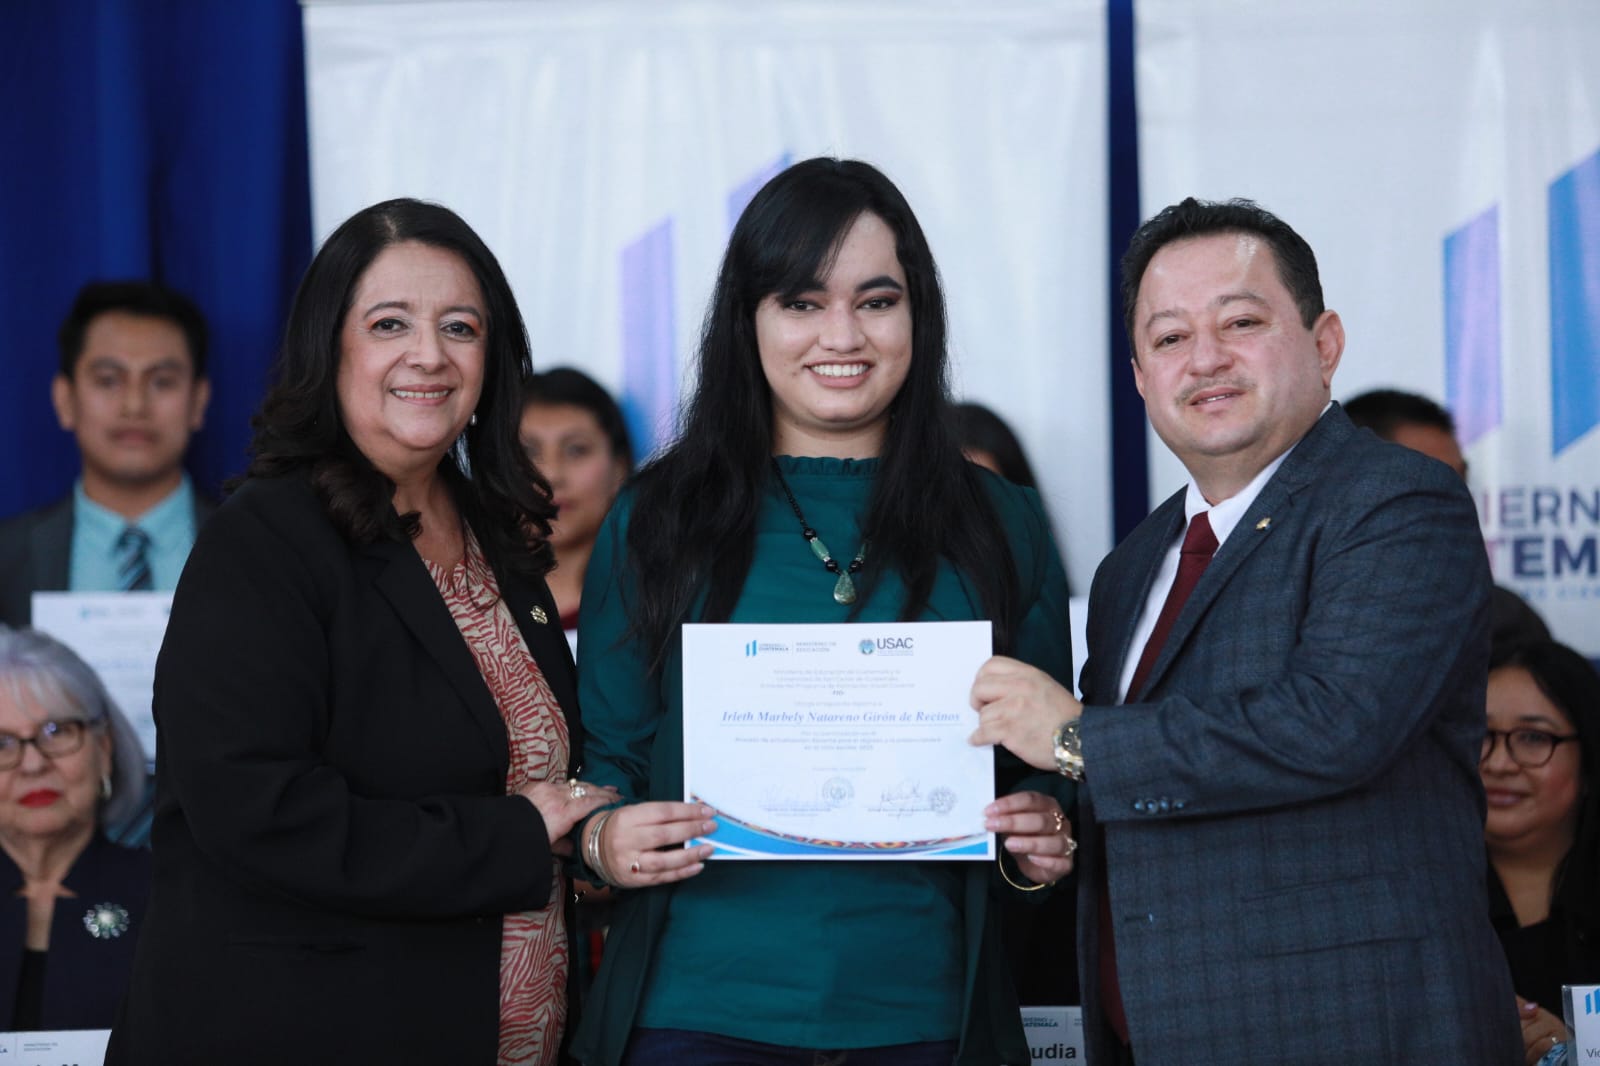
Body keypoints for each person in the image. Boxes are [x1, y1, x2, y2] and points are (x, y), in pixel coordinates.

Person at [970, 196, 1521, 1064]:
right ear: (1140, 377)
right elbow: (1147, 778)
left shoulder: (1397, 501)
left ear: (1325, 343)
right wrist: (1060, 824)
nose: (1206, 359)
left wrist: (1077, 740)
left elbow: (1335, 722)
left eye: (1240, 322)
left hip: (1354, 1033)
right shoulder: (1130, 567)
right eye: (1170, 337)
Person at [570, 158, 1076, 1066]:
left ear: (918, 314)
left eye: (876, 301)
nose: (841, 335)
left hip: (928, 1018)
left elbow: (1039, 780)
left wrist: (1042, 835)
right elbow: (608, 766)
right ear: (748, 318)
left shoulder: (1001, 522)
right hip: (696, 1015)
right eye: (801, 302)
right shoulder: (655, 520)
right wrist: (602, 841)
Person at [105, 198, 616, 1065]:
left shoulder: (498, 536)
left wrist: (598, 838)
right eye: (390, 324)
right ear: (330, 346)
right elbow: (258, 811)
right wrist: (512, 837)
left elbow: (538, 773)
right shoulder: (265, 540)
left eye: (460, 327)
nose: (430, 354)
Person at [0, 281, 214, 628]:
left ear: (198, 401)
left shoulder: (258, 548)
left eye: (162, 382)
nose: (135, 406)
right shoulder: (8, 557)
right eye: (109, 380)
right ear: (65, 399)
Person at [0, 626, 148, 1031]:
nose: (33, 765)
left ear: (104, 748)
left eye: (57, 731)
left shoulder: (173, 899)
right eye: (2, 743)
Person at [1344, 386, 1552, 648]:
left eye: (1460, 480)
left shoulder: (1503, 619)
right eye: (1429, 481)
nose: (1456, 502)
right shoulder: (1299, 607)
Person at [1482, 639, 1600, 1064]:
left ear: (1588, 761)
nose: (1498, 763)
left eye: (1533, 737)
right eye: (1480, 734)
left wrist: (1578, 1054)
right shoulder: (1414, 898)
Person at [518, 367, 634, 651]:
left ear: (619, 469)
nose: (551, 475)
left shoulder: (656, 602)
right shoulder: (468, 604)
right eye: (528, 452)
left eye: (576, 450)